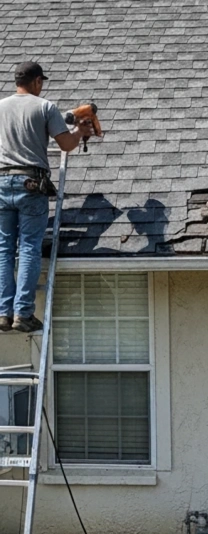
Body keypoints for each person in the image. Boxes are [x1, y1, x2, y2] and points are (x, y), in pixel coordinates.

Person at [0, 62, 92, 333]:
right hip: (30, 183)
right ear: (37, 82)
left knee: (4, 249)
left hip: (1, 182)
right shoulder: (45, 107)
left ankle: (3, 313)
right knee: (29, 246)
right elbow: (66, 144)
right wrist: (80, 132)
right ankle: (23, 314)